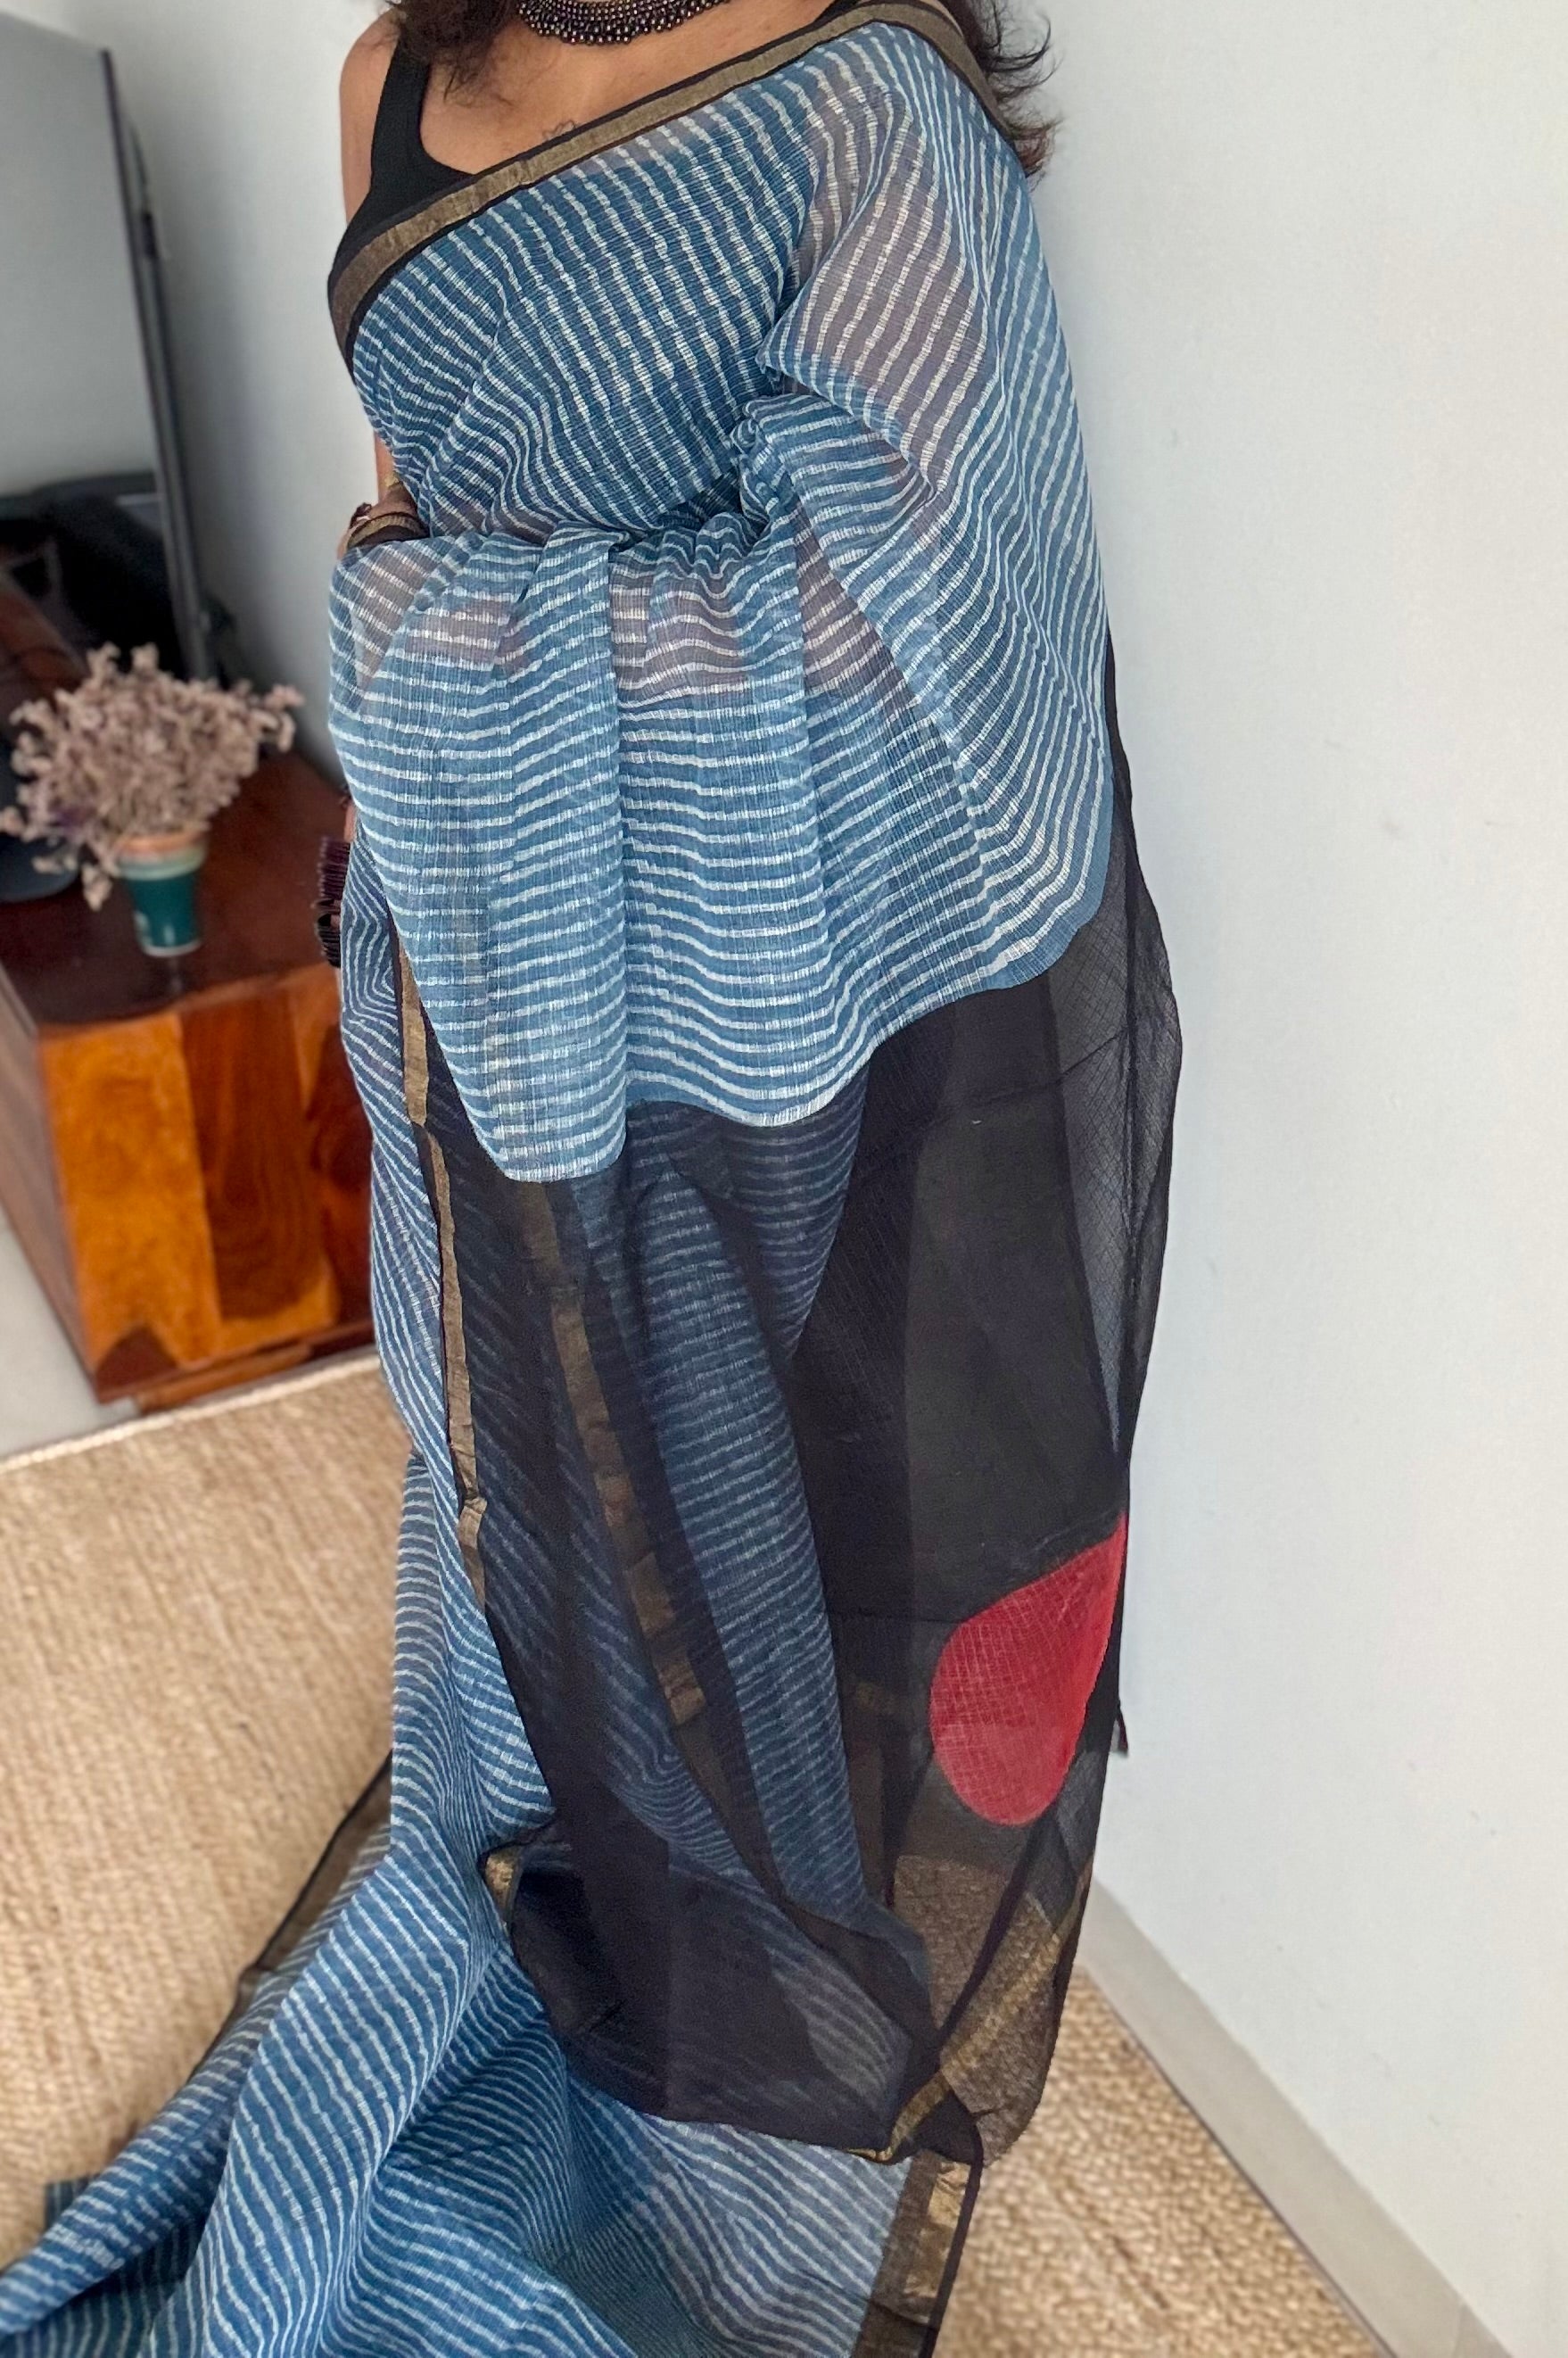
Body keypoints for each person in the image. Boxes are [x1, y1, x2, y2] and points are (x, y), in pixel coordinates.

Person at [0, 2, 1179, 2348]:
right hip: (489, 985)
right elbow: (408, 484)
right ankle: (566, 1862)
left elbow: (923, 634)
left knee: (755, 1540)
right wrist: (437, 671)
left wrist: (432, 646)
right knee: (506, 1504)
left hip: (784, 1029)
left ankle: (735, 1996)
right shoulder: (385, 83)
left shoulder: (863, 106)